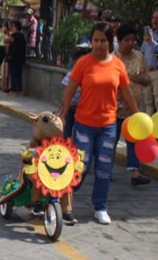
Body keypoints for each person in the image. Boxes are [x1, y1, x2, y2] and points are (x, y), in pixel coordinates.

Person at [59, 22, 141, 225]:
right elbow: (69, 90)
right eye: (95, 40)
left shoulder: (117, 65)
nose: (98, 44)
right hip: (84, 125)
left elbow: (126, 93)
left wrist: (137, 115)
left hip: (108, 127)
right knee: (80, 167)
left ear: (109, 41)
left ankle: (100, 207)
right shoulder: (83, 63)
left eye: (102, 40)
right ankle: (64, 201)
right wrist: (62, 113)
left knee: (104, 169)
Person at [114, 24, 152, 185]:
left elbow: (147, 78)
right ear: (119, 41)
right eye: (126, 40)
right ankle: (104, 169)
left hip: (135, 108)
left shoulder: (139, 57)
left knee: (134, 141)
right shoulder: (113, 58)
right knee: (111, 140)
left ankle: (135, 172)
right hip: (115, 108)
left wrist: (136, 78)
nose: (130, 43)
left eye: (132, 40)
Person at [25, 112, 76, 224]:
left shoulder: (58, 145)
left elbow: (65, 154)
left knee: (66, 184)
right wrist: (30, 154)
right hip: (38, 170)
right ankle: (37, 203)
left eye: (36, 127)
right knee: (37, 180)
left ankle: (67, 210)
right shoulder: (35, 142)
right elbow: (27, 155)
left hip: (54, 172)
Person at [7, 20, 27, 95]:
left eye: (13, 26)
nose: (12, 28)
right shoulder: (22, 36)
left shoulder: (14, 35)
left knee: (13, 74)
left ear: (16, 27)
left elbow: (7, 40)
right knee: (19, 74)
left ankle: (14, 90)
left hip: (14, 58)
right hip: (20, 58)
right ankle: (19, 89)